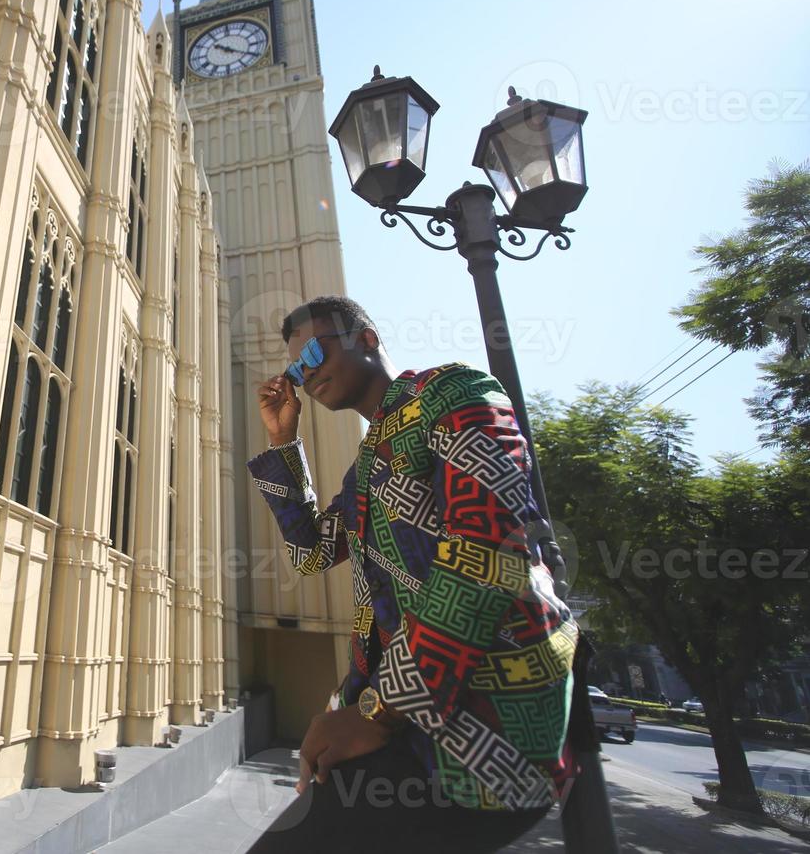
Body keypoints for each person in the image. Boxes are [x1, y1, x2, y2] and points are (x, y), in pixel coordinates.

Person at [244, 296, 578, 853]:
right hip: (403, 727)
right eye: (296, 370)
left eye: (314, 354)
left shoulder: (452, 392)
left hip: (484, 729)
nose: (306, 376)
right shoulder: (365, 470)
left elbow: (488, 549)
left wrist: (377, 711)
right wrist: (284, 443)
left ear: (366, 340)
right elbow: (310, 553)